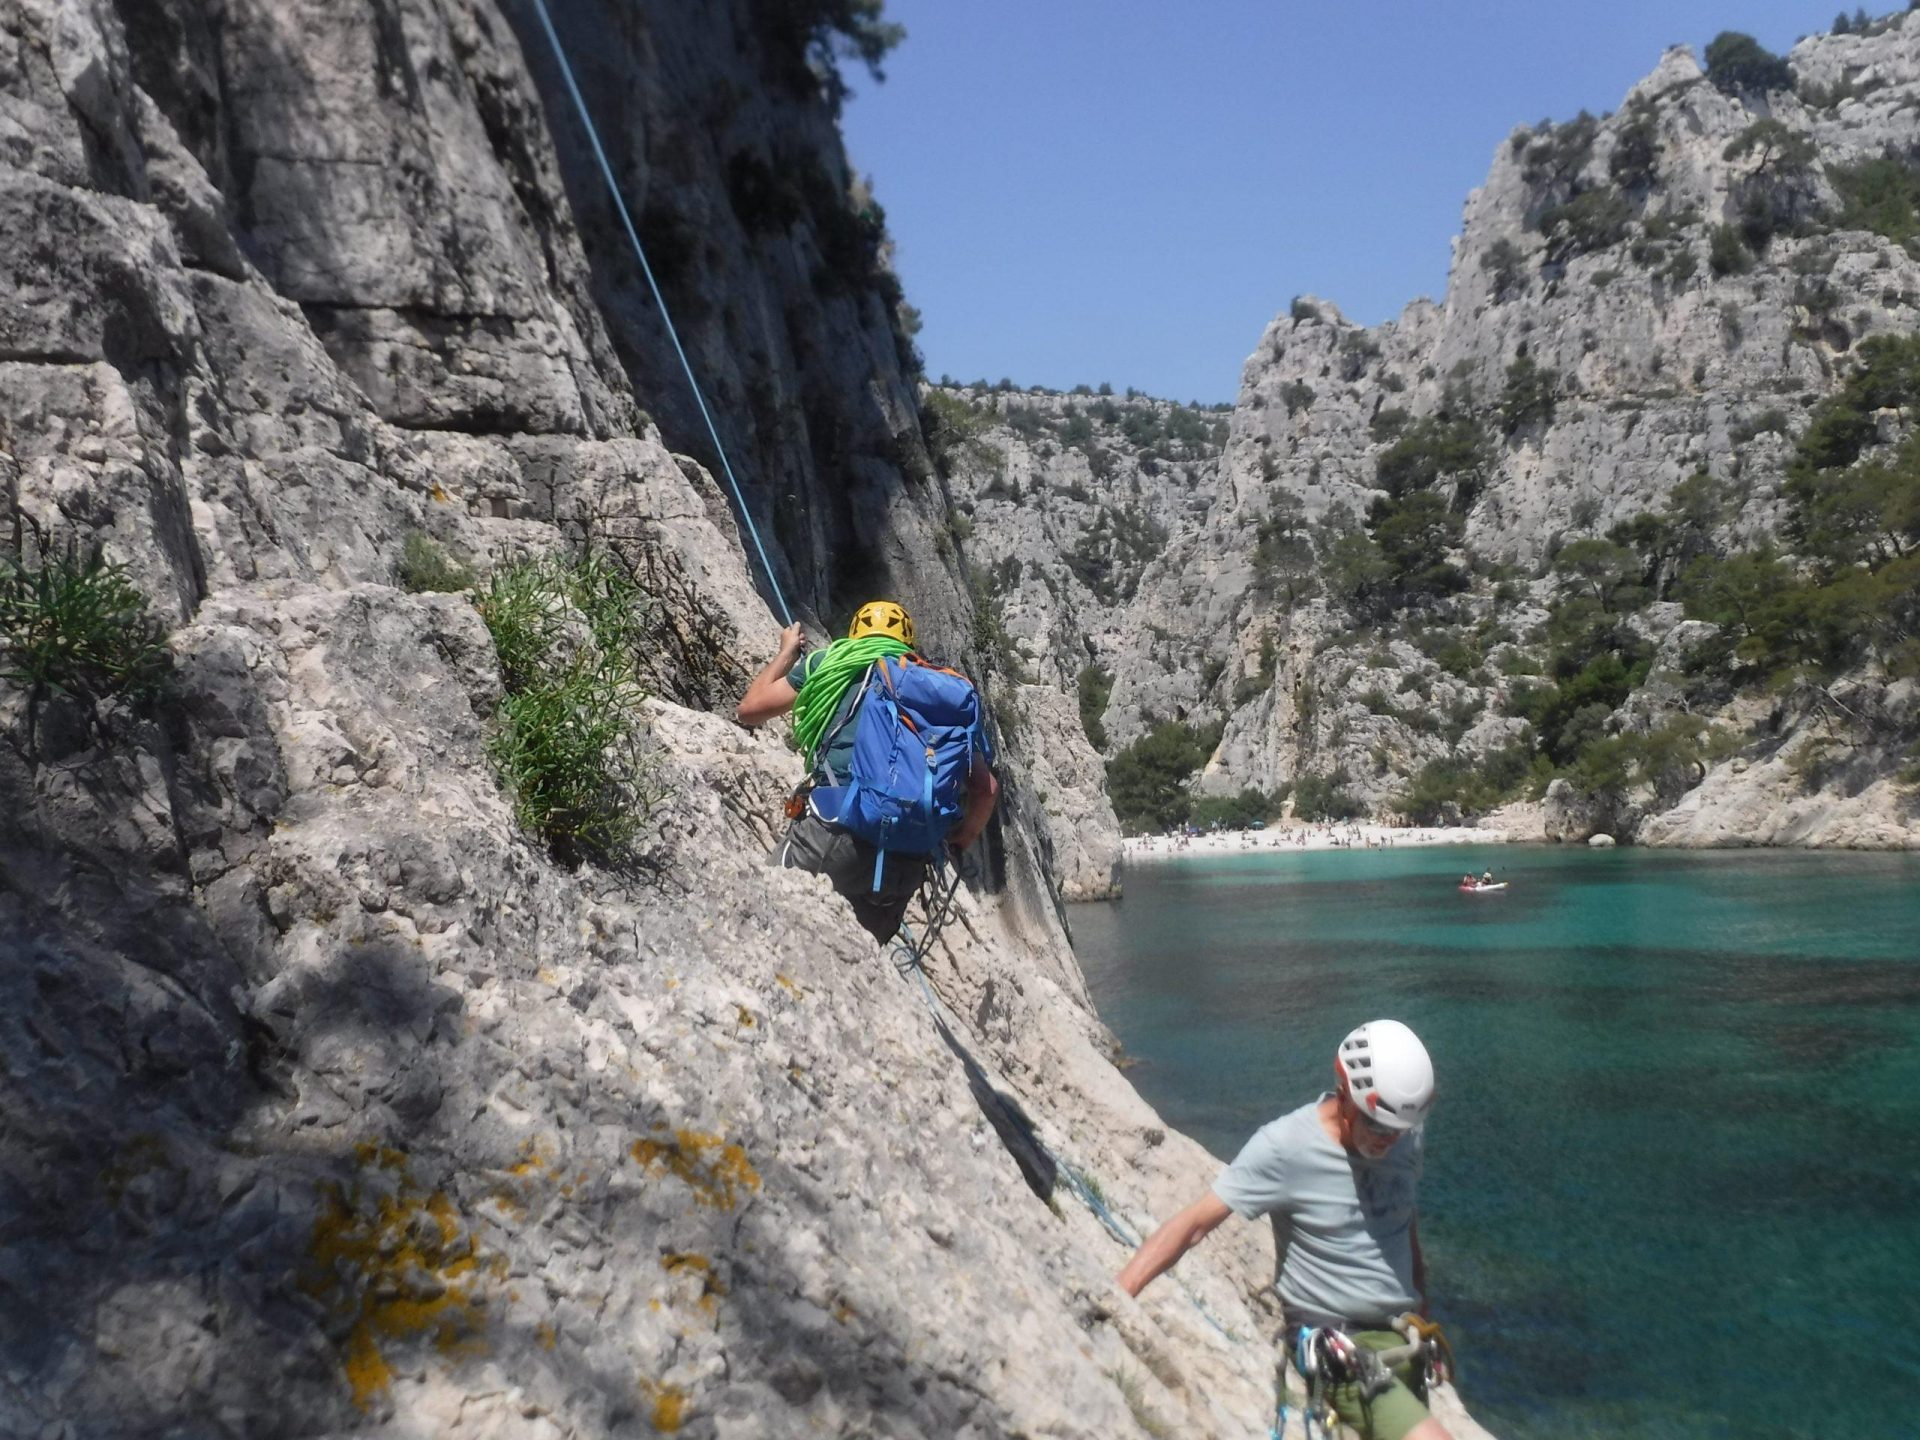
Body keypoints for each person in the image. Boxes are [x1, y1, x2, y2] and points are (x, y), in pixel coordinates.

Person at [1116, 1020, 1450, 1440]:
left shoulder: (1403, 1134)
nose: (1389, 1141)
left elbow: (1404, 1220)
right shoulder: (1285, 1147)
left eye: (1400, 1131)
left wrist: (1424, 1307)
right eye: (1378, 1127)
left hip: (1401, 1337)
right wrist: (1119, 1291)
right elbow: (1194, 1224)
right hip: (1341, 1344)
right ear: (1345, 1092)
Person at [736, 600, 997, 943]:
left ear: (855, 634)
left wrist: (787, 652)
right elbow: (985, 788)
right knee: (851, 974)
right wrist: (959, 841)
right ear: (909, 643)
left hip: (832, 834)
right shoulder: (938, 694)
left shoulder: (830, 662)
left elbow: (749, 710)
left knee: (759, 927)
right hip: (904, 863)